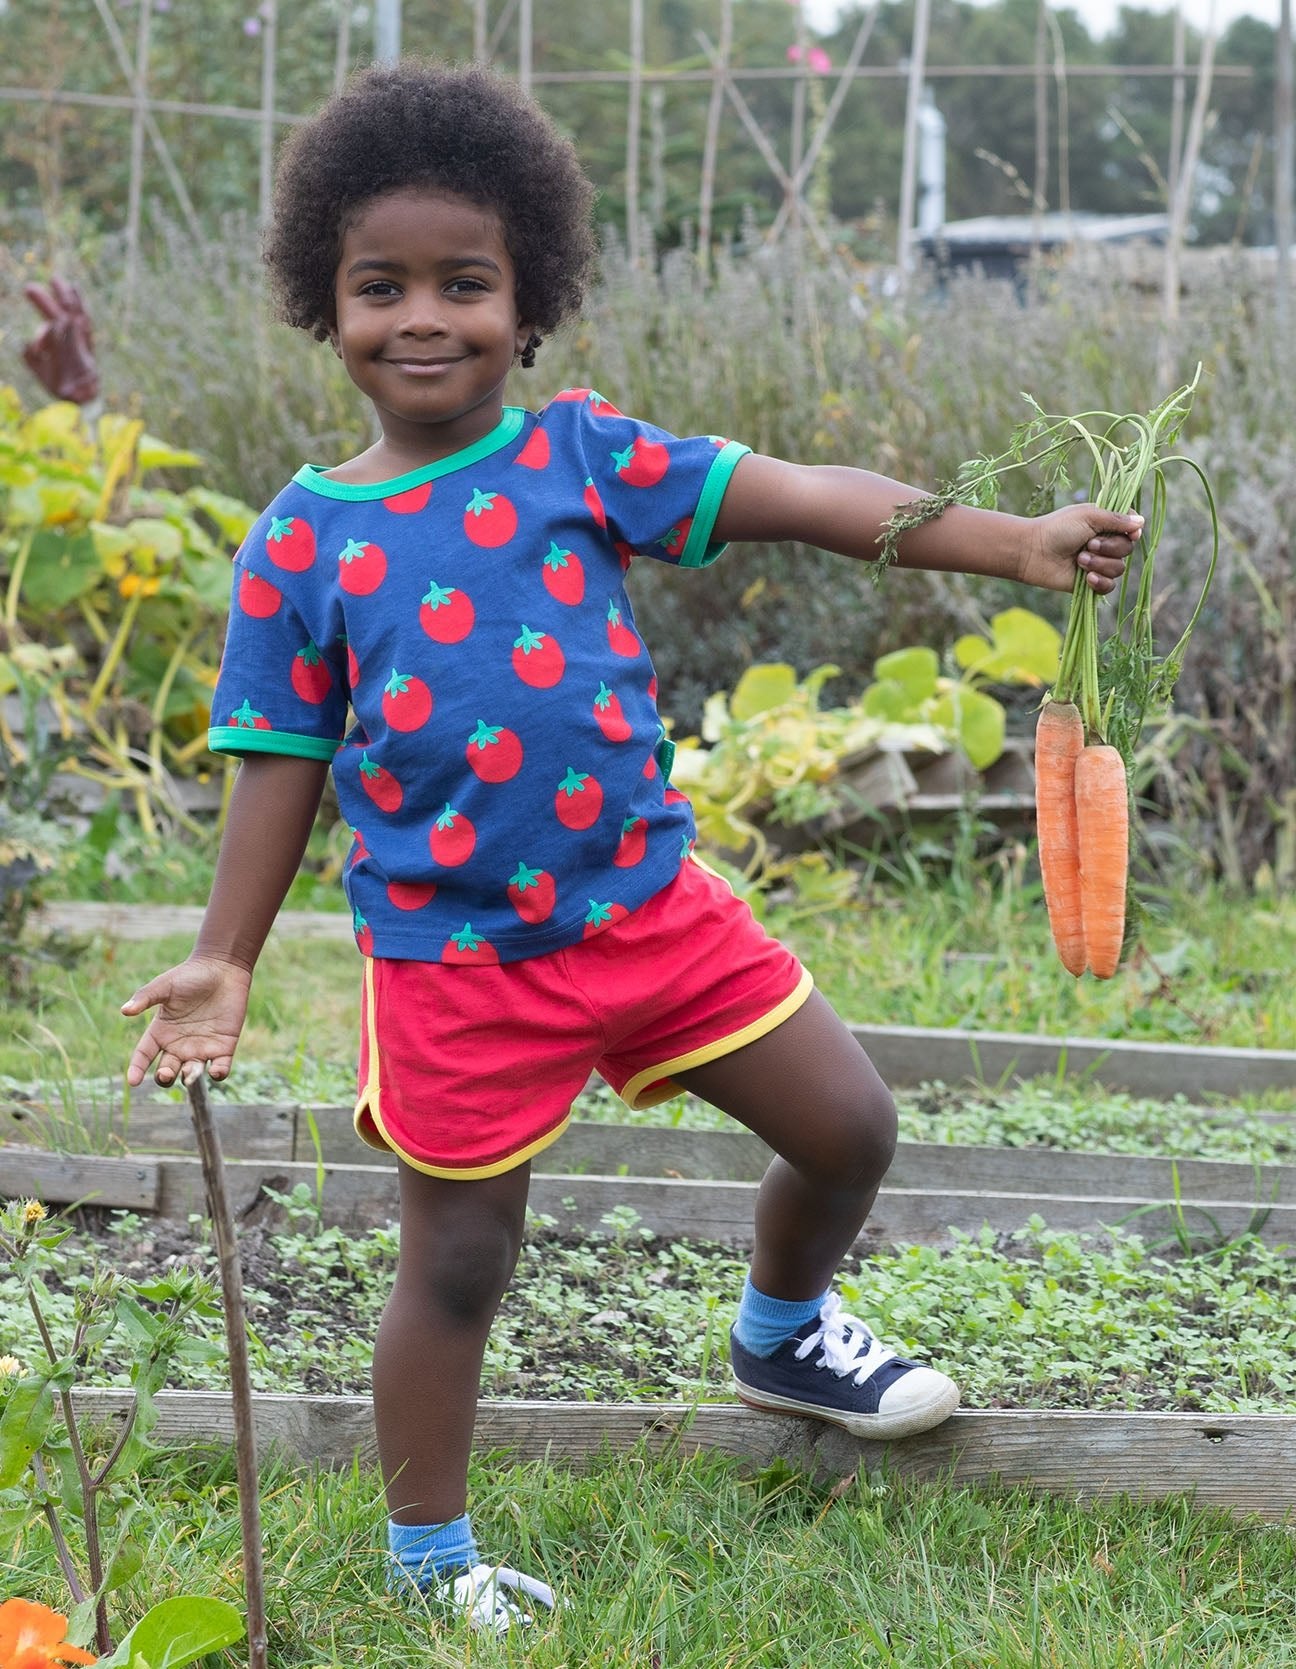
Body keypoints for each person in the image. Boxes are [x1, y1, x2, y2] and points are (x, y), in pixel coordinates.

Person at [121, 60, 1140, 1636]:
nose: (423, 318)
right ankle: (430, 1556)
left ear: (529, 304)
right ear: (322, 307)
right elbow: (277, 764)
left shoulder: (580, 456)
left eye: (466, 283)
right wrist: (224, 955)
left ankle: (784, 1326)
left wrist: (1012, 543)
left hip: (652, 913)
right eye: (378, 285)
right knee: (461, 1258)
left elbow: (800, 495)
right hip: (457, 963)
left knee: (851, 1124)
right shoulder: (302, 542)